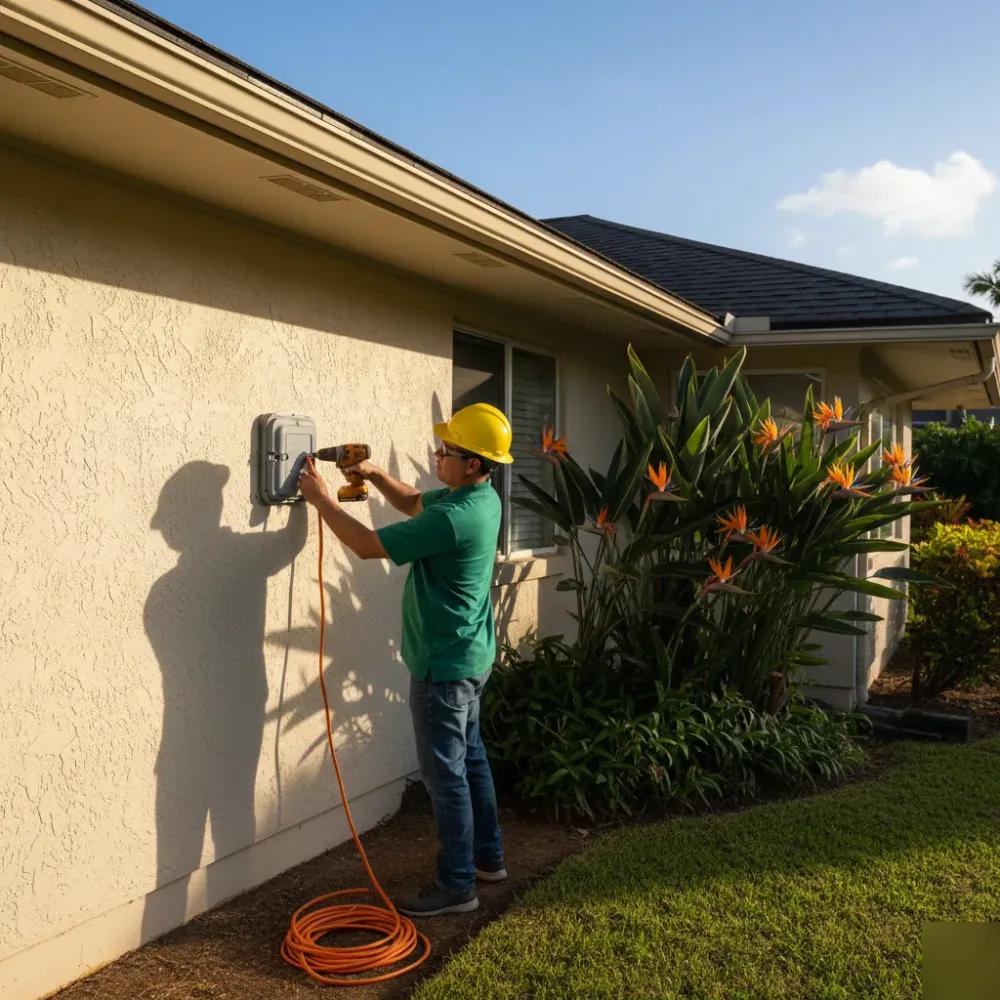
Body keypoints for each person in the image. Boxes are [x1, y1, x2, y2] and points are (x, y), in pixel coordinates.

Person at [296, 402, 512, 917]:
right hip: (471, 656)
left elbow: (370, 546)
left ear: (475, 463)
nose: (438, 455)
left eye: (447, 451)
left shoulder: (456, 519)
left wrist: (322, 502)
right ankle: (488, 859)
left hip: (443, 666)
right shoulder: (480, 499)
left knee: (446, 774)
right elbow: (415, 501)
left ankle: (457, 885)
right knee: (472, 760)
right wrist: (372, 472)